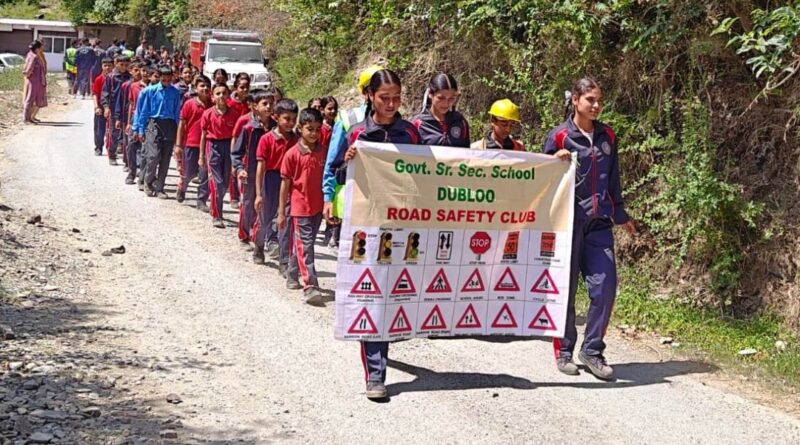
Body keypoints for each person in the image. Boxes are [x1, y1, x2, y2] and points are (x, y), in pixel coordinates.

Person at [543, 77, 636, 380]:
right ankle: (564, 350)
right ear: (575, 101)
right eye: (590, 100)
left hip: (599, 225)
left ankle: (592, 351)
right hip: (567, 226)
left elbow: (614, 178)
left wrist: (620, 213)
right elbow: (539, 177)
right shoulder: (559, 136)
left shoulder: (608, 135)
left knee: (605, 287)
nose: (596, 106)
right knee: (565, 290)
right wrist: (553, 161)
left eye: (599, 100)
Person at [342, 69, 421, 400]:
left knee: (397, 293)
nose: (391, 104)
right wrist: (347, 162)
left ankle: (389, 342)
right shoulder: (358, 133)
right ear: (370, 97)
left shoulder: (412, 134)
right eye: (384, 98)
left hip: (405, 226)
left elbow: (433, 173)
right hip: (369, 227)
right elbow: (334, 171)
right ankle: (376, 375)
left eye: (396, 97)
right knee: (372, 296)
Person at [322, 65, 382, 228]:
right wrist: (328, 197)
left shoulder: (396, 123)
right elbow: (333, 161)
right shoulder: (349, 118)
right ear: (365, 93)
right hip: (351, 199)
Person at [279, 108, 327, 305]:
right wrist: (281, 211)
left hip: (317, 207)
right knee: (306, 246)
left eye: (317, 129)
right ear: (300, 129)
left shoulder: (323, 152)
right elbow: (285, 184)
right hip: (300, 209)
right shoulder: (292, 154)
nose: (314, 133)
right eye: (310, 129)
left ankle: (292, 272)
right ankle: (310, 286)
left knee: (305, 245)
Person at [254, 99, 299, 270]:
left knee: (285, 220)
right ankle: (259, 246)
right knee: (264, 218)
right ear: (276, 117)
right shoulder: (266, 139)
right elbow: (260, 168)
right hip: (270, 180)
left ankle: (284, 260)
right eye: (286, 118)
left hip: (289, 181)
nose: (291, 123)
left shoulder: (297, 140)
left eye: (294, 119)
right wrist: (258, 194)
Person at [231, 88, 276, 252]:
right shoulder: (248, 128)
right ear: (255, 106)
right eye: (265, 103)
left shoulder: (276, 128)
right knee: (248, 204)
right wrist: (239, 168)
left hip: (269, 172)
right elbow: (237, 151)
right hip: (249, 172)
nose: (269, 107)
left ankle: (262, 236)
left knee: (268, 205)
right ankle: (244, 235)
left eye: (271, 103)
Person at [134, 65, 182, 198]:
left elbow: (177, 112)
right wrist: (140, 129)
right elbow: (144, 111)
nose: (166, 80)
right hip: (153, 124)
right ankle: (148, 182)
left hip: (169, 125)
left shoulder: (175, 92)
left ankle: (160, 187)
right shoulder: (151, 91)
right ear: (159, 77)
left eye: (169, 78)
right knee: (153, 156)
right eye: (164, 78)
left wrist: (178, 131)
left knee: (166, 158)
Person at [199, 83, 238, 228]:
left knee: (225, 183)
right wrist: (201, 155)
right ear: (213, 97)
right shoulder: (208, 113)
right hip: (213, 146)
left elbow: (236, 136)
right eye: (218, 93)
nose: (221, 96)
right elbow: (203, 135)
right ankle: (217, 215)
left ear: (228, 95)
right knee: (216, 182)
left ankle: (214, 205)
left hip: (228, 147)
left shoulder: (234, 114)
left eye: (224, 93)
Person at [174, 75, 212, 206]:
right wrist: (178, 144)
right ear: (196, 88)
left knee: (205, 174)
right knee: (189, 172)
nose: (205, 88)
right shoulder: (189, 104)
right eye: (202, 86)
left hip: (207, 145)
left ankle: (201, 200)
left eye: (208, 86)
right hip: (191, 143)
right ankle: (182, 187)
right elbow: (182, 125)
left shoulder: (213, 105)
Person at [412, 73, 470, 147]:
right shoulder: (418, 124)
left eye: (451, 98)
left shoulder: (460, 122)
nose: (446, 103)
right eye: (441, 98)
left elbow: (466, 153)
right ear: (430, 94)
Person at [102, 55, 132, 166]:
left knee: (126, 135)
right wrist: (106, 107)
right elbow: (105, 94)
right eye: (121, 64)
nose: (124, 67)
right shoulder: (111, 77)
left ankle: (127, 159)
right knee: (113, 133)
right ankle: (112, 154)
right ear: (116, 64)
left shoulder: (130, 78)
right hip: (114, 109)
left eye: (126, 65)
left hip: (127, 110)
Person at [318, 95, 339, 248]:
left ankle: (329, 230)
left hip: (333, 169)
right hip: (320, 167)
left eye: (334, 109)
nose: (332, 111)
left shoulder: (338, 126)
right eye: (329, 108)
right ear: (322, 110)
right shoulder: (320, 129)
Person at [227, 74, 250, 209]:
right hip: (232, 138)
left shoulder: (250, 103)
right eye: (241, 87)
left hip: (247, 138)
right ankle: (233, 196)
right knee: (234, 167)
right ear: (236, 87)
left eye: (247, 87)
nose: (244, 90)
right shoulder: (230, 103)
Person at [125, 63, 150, 185]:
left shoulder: (154, 88)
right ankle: (131, 172)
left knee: (145, 148)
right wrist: (129, 122)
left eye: (147, 71)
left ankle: (144, 174)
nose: (144, 73)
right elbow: (131, 104)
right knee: (131, 145)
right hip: (135, 118)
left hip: (149, 121)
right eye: (143, 71)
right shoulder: (134, 86)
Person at [92, 58, 114, 155]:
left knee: (112, 130)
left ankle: (112, 149)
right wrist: (96, 107)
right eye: (105, 65)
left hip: (113, 108)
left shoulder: (115, 78)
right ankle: (98, 147)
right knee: (99, 130)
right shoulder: (99, 79)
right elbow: (95, 94)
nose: (107, 68)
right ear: (102, 67)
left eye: (109, 65)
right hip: (101, 107)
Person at [23, 40, 47, 124]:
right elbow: (29, 69)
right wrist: (27, 74)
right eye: (41, 47)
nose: (42, 48)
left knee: (31, 99)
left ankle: (29, 118)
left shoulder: (30, 54)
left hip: (33, 80)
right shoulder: (34, 57)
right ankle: (26, 119)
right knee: (30, 99)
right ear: (37, 48)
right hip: (34, 81)